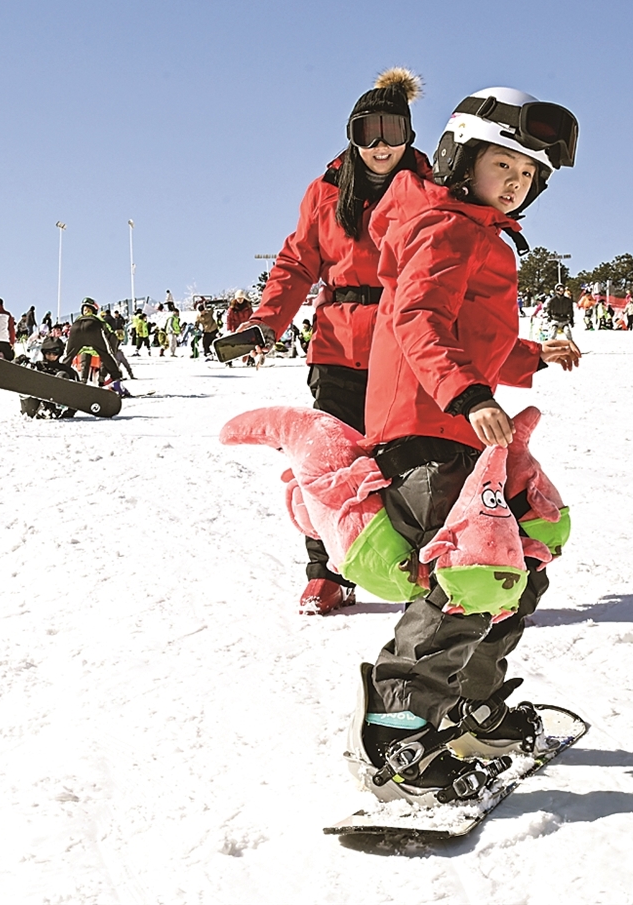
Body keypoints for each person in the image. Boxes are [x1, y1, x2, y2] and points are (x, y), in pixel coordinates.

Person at [348, 86, 581, 805]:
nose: (514, 183)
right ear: (459, 157)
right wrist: (468, 393)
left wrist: (528, 357)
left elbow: (475, 337)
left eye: (527, 176)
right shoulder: (442, 225)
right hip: (422, 434)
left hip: (456, 432)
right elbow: (420, 318)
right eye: (502, 165)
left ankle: (467, 712)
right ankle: (397, 730)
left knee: (521, 562)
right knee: (468, 577)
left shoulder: (477, 232)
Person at [236, 67, 431, 614]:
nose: (379, 146)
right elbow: (298, 262)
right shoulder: (325, 191)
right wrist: (265, 323)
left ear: (409, 136)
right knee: (328, 466)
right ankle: (326, 572)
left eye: (393, 132)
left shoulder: (430, 189)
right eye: (368, 131)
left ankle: (421, 561)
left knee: (411, 461)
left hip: (404, 346)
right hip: (338, 347)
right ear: (352, 133)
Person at [62, 297, 126, 393]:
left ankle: (60, 375)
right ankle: (116, 382)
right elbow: (109, 332)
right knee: (106, 355)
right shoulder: (97, 318)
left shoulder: (78, 319)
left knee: (69, 356)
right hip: (92, 326)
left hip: (75, 328)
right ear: (95, 310)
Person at [15, 335, 80, 418]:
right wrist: (19, 361)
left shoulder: (67, 370)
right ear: (43, 352)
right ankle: (30, 401)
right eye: (48, 353)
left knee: (63, 375)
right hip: (32, 405)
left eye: (55, 353)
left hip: (53, 407)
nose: (51, 356)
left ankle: (53, 407)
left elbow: (78, 393)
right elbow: (12, 371)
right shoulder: (38, 366)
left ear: (60, 354)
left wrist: (69, 413)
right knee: (30, 371)